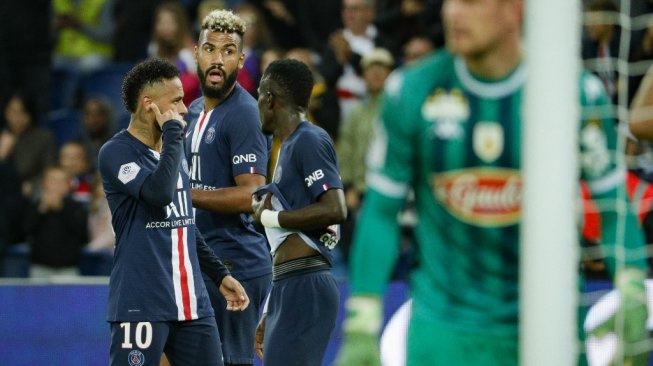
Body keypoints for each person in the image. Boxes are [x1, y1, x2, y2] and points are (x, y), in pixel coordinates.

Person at [336, 0, 649, 365]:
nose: (453, 13)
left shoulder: (576, 93)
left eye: (470, 2)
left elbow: (613, 206)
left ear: (514, 8)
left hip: (550, 329)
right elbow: (381, 211)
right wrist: (362, 317)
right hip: (443, 332)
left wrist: (631, 291)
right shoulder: (411, 90)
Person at [97, 58, 249, 366]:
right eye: (176, 101)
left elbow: (183, 222)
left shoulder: (172, 150)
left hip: (192, 305)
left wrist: (219, 274)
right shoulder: (116, 153)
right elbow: (159, 194)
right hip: (141, 303)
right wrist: (172, 136)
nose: (183, 109)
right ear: (148, 104)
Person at [184, 10, 272, 366]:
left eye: (228, 51)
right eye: (210, 48)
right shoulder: (190, 111)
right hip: (200, 259)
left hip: (235, 261)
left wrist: (184, 196)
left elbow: (251, 195)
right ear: (196, 53)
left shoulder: (244, 114)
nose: (217, 59)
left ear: (241, 58)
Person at [251, 58, 347, 366]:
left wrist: (268, 217)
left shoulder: (309, 139)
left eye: (258, 97)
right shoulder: (289, 146)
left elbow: (335, 209)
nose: (257, 105)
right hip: (288, 284)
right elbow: (285, 242)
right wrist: (270, 306)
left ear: (269, 98)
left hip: (306, 284)